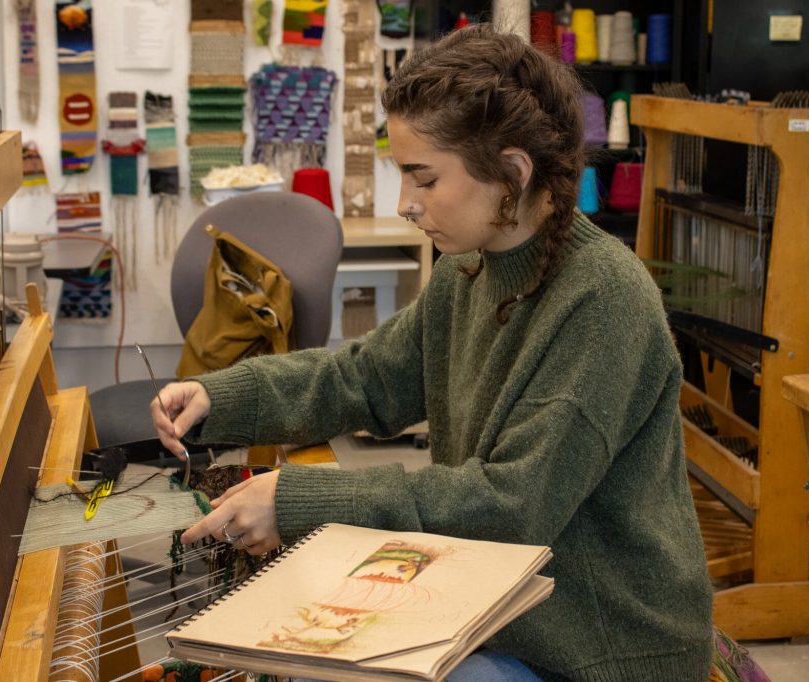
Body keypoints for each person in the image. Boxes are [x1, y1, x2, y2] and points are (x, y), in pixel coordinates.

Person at [152, 23, 713, 682]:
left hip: (600, 638)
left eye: (423, 178)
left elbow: (510, 506)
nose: (405, 204)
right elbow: (363, 379)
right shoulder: (470, 268)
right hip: (503, 593)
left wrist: (299, 501)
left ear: (512, 171)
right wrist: (226, 396)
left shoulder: (605, 301)